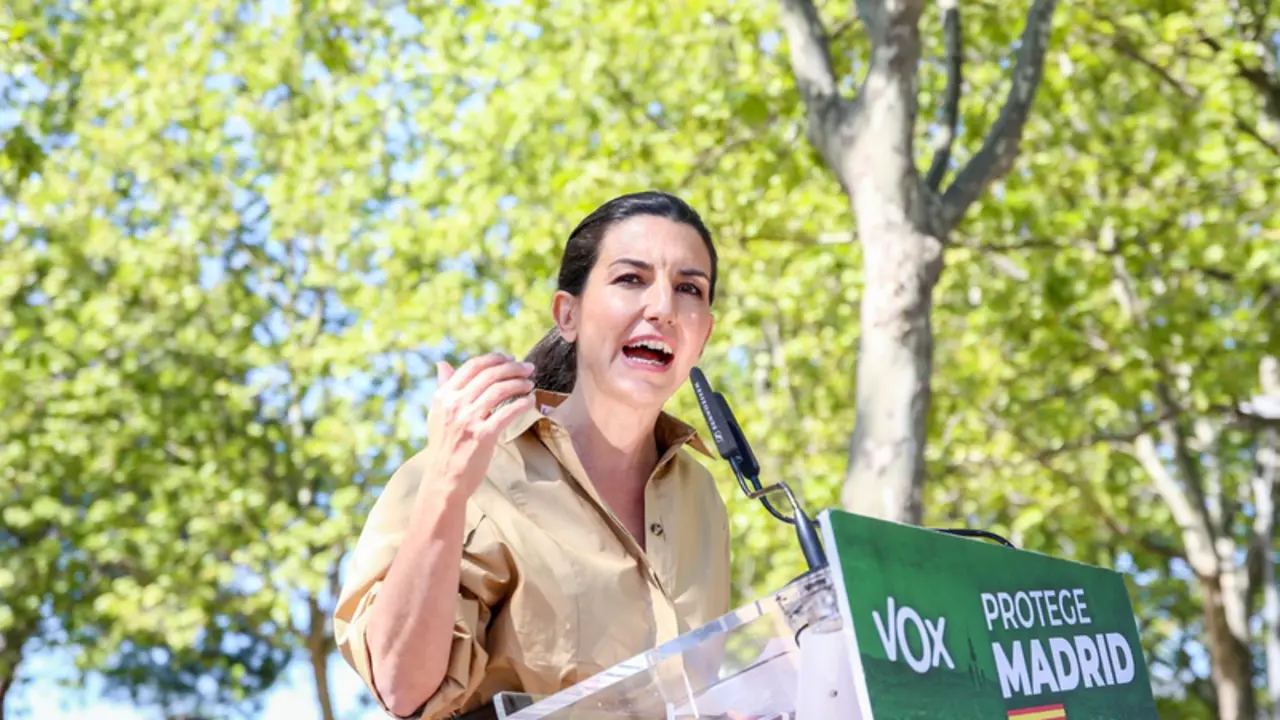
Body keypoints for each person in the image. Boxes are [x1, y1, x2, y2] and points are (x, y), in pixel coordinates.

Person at [333, 191, 732, 720]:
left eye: (688, 289)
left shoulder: (701, 498)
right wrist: (448, 483)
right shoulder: (478, 467)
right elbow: (401, 686)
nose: (662, 308)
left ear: (703, 333)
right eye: (631, 279)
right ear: (568, 315)